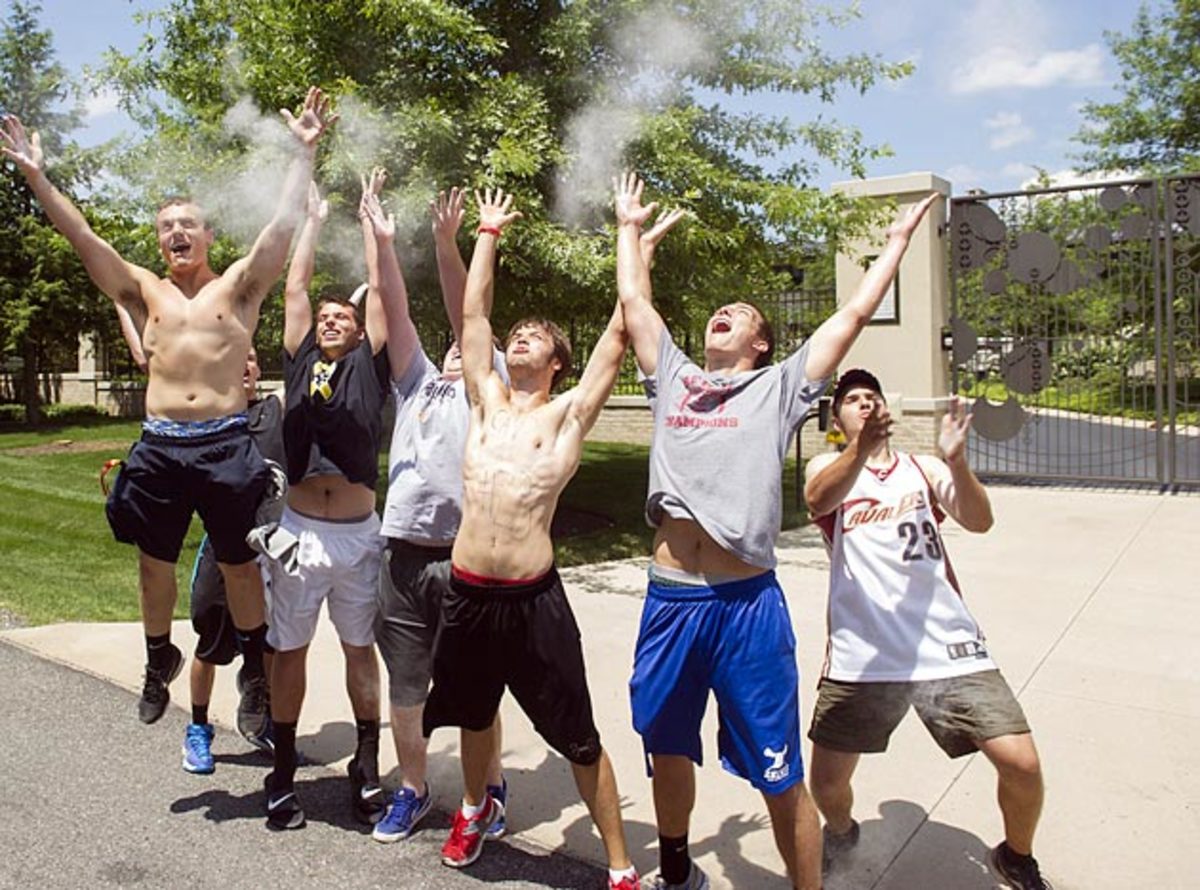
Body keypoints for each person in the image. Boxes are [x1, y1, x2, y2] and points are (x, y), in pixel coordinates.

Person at [615, 170, 937, 890]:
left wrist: (895, 242)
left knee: (775, 766)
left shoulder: (780, 385)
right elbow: (634, 299)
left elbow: (852, 314)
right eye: (717, 311)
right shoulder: (674, 375)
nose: (722, 314)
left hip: (744, 609)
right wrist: (629, 228)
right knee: (665, 744)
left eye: (740, 313)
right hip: (670, 602)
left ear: (761, 343)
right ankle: (676, 871)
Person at [0, 90, 335, 728]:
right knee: (152, 562)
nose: (177, 233)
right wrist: (36, 176)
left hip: (225, 443)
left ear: (209, 235)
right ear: (159, 239)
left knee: (239, 564)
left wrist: (304, 153)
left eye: (189, 224)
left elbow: (280, 230)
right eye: (166, 226)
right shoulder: (142, 288)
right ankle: (160, 659)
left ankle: (256, 675)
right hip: (159, 444)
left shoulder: (237, 287)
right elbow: (80, 235)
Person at [419, 186, 640, 889]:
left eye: (536, 336)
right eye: (518, 333)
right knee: (473, 714)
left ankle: (620, 864)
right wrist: (485, 232)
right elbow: (475, 312)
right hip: (468, 593)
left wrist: (630, 240)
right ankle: (477, 808)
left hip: (533, 601)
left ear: (556, 364)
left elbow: (619, 332)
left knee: (577, 736)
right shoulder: (483, 399)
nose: (519, 336)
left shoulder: (569, 417)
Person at [804, 370, 1051, 890]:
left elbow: (979, 520)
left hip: (947, 646)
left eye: (873, 397)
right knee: (827, 786)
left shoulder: (924, 468)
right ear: (837, 418)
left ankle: (1015, 855)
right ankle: (843, 832)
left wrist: (958, 463)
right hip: (864, 656)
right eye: (853, 401)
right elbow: (817, 500)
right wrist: (858, 451)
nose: (866, 405)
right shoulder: (829, 466)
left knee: (1022, 764)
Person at [263, 172, 405, 831]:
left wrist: (373, 229)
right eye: (324, 316)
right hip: (298, 532)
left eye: (340, 317)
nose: (329, 319)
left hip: (355, 537)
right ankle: (283, 771)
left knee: (357, 649)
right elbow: (295, 288)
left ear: (356, 331)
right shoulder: (297, 359)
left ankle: (367, 763)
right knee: (287, 650)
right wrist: (312, 220)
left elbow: (379, 295)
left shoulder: (368, 365)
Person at [371, 186, 509, 843]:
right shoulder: (417, 379)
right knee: (405, 685)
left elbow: (469, 313)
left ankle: (490, 787)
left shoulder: (492, 385)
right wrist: (386, 242)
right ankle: (413, 789)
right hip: (400, 554)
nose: (457, 345)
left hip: (463, 557)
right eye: (451, 343)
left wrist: (446, 244)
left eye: (467, 341)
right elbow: (394, 309)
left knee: (476, 687)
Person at [182, 347, 283, 773]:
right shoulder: (209, 422)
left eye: (251, 358)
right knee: (209, 642)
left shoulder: (277, 410)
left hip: (271, 551)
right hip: (223, 549)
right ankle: (198, 729)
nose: (243, 366)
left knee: (271, 643)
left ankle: (265, 706)